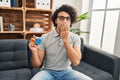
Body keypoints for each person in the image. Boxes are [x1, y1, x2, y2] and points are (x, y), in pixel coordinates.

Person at [29, 4, 93, 80]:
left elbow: (76, 62)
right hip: (47, 71)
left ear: (70, 21)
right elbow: (36, 65)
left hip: (67, 71)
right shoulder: (45, 37)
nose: (64, 21)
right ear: (56, 20)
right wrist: (34, 52)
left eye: (68, 19)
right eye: (61, 18)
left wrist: (65, 40)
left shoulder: (75, 38)